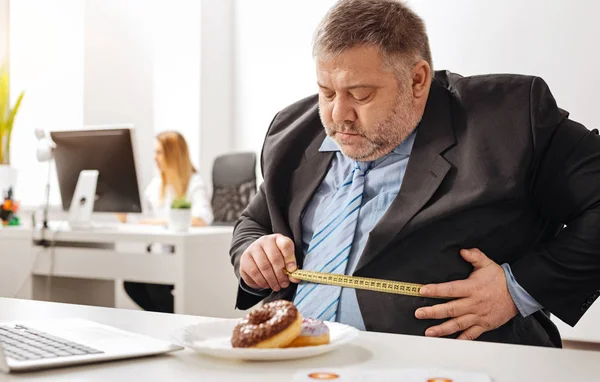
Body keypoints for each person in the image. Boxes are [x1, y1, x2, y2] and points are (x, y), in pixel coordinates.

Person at [229, 0, 600, 347]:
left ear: (418, 80)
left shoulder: (510, 119)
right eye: (327, 92)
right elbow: (254, 222)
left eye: (360, 94)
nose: (338, 115)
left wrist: (518, 288)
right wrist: (253, 253)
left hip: (451, 364)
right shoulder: (292, 131)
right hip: (296, 359)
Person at [123, 130, 214, 313]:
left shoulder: (194, 182)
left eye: (159, 152)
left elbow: (202, 218)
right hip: (160, 256)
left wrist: (155, 223)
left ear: (172, 154)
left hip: (185, 257)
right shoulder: (158, 185)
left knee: (155, 285)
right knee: (132, 283)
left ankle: (170, 318)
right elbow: (140, 216)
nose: (155, 158)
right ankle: (163, 318)